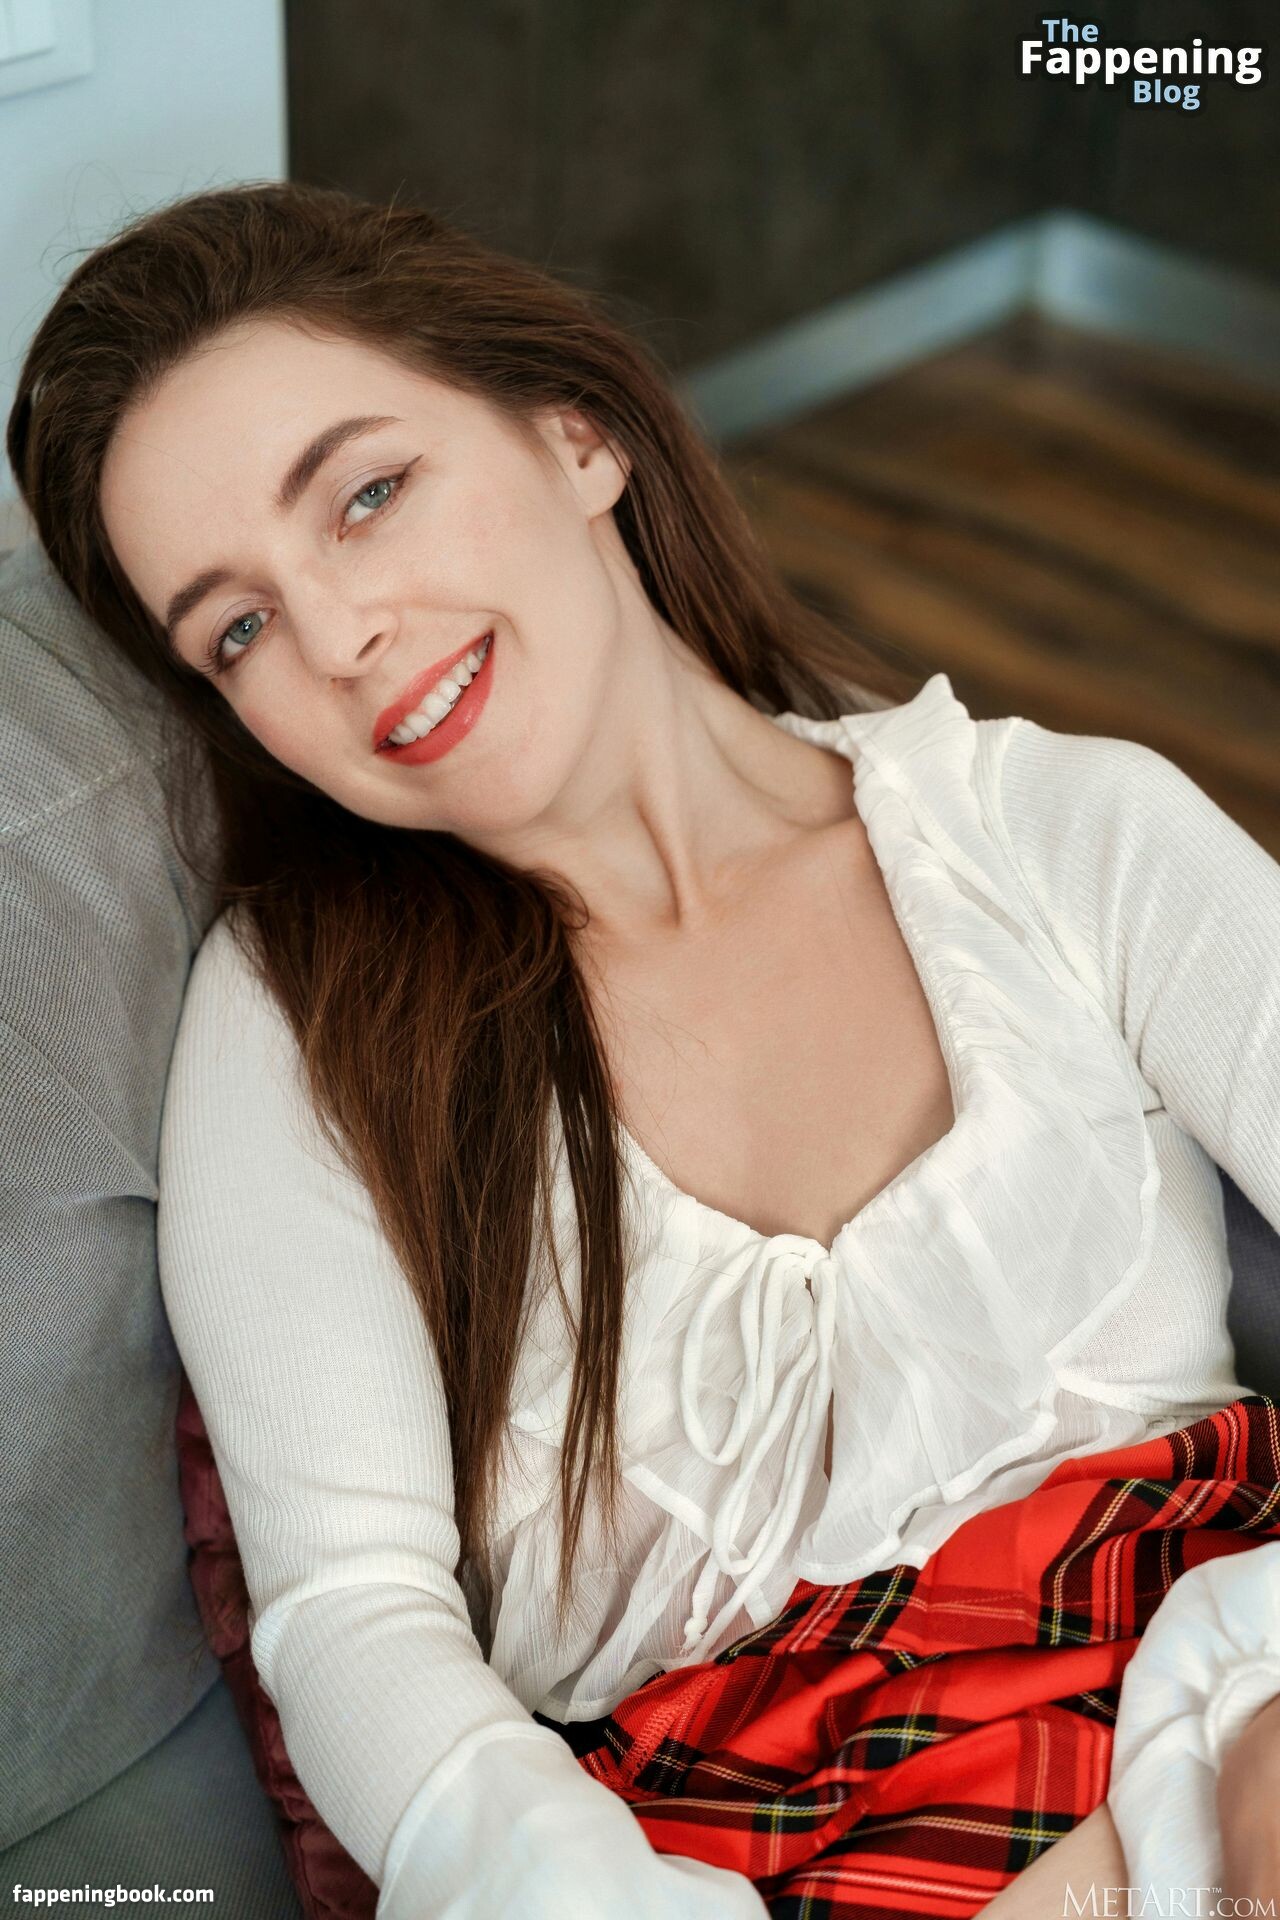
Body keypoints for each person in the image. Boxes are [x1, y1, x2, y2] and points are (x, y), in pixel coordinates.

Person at [7, 180, 1280, 1918]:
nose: (340, 639)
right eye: (237, 628)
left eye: (367, 496)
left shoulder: (1066, 833)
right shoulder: (299, 1029)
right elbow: (354, 1615)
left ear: (577, 434)